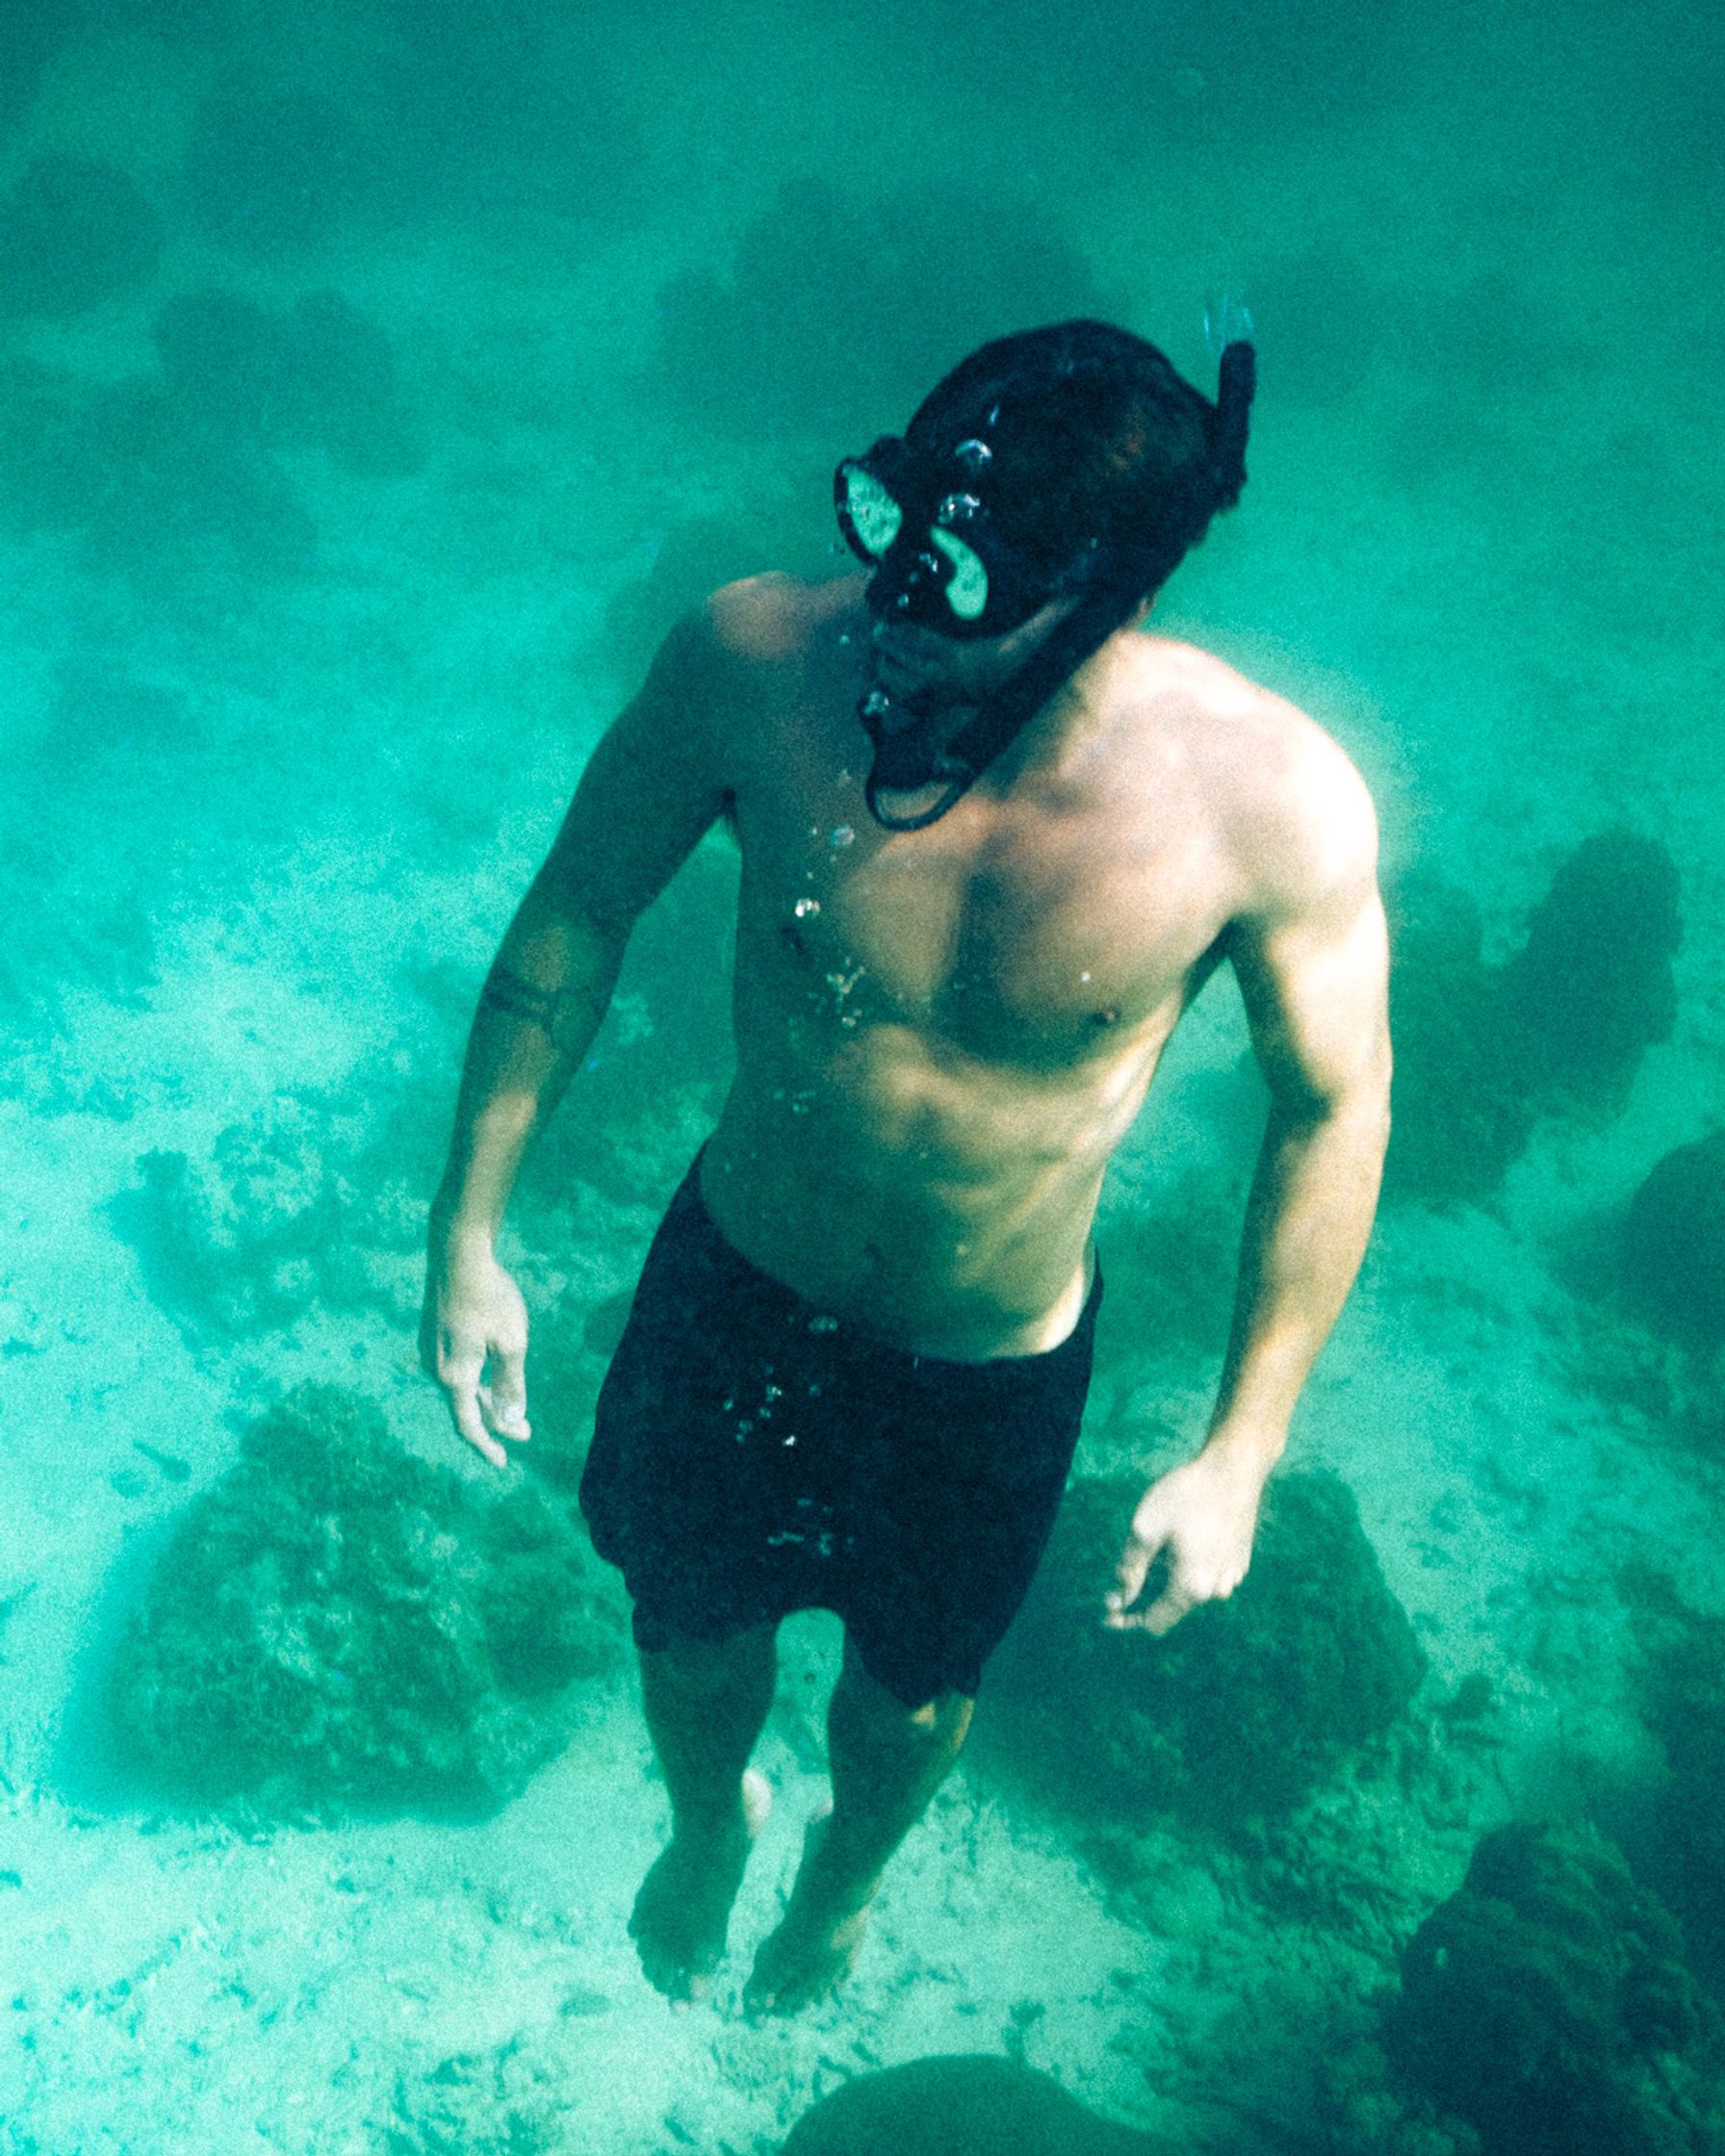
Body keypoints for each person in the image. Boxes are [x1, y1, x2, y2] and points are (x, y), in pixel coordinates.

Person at [420, 319, 1392, 2015]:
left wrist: (1244, 1451)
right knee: (686, 1628)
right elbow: (578, 908)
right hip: (738, 1279)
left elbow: (1333, 1111)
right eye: (889, 531)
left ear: (1107, 593)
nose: (887, 611)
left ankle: (842, 1884)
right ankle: (710, 1822)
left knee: (908, 1704)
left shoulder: (1269, 808)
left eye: (952, 581)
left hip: (986, 1367)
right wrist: (468, 1230)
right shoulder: (751, 664)